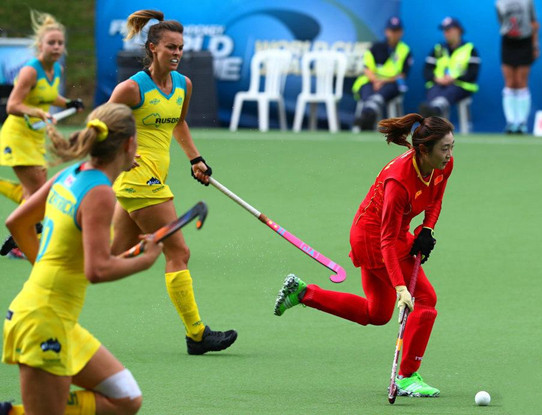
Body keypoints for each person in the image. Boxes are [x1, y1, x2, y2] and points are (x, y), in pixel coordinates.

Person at [274, 113, 455, 398]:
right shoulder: (399, 181)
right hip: (373, 238)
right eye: (444, 148)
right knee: (425, 299)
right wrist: (400, 288)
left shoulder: (443, 165)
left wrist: (427, 229)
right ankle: (407, 377)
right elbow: (386, 241)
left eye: (452, 147)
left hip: (393, 233)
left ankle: (304, 293)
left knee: (377, 313)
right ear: (423, 149)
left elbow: (436, 197)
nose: (449, 154)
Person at [0, 102, 163, 415]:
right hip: (43, 320)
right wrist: (147, 260)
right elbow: (97, 270)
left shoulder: (70, 174)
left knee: (126, 399)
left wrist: (45, 266)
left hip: (53, 316)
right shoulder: (101, 193)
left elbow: (16, 222)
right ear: (129, 144)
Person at [108, 9, 237, 355]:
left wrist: (195, 159)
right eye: (170, 47)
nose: (177, 53)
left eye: (180, 47)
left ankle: (43, 242)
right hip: (139, 180)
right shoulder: (132, 88)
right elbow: (100, 123)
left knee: (113, 253)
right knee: (179, 251)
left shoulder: (183, 85)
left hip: (154, 178)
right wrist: (121, 149)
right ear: (153, 48)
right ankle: (197, 334)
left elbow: (178, 123)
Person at [0, 10, 84, 259]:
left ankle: (24, 236)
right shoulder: (30, 71)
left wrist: (67, 102)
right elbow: (12, 105)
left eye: (60, 43)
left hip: (36, 137)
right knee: (40, 192)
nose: (56, 47)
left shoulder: (56, 69)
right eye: (51, 43)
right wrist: (36, 111)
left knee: (34, 193)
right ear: (40, 46)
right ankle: (22, 237)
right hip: (18, 137)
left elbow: (48, 94)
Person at [352, 16, 413, 131]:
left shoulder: (405, 50)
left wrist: (383, 81)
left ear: (401, 32)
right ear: (386, 31)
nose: (394, 34)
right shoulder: (375, 47)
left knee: (391, 87)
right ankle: (369, 113)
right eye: (391, 30)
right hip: (371, 81)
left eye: (397, 31)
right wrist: (376, 81)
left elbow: (403, 75)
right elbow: (367, 68)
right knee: (366, 88)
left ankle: (366, 116)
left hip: (390, 83)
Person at [419, 17, 480, 119]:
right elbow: (426, 71)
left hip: (460, 86)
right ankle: (434, 109)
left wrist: (453, 78)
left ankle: (435, 109)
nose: (446, 33)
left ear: (458, 30)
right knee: (434, 90)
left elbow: (473, 74)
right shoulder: (438, 48)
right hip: (438, 84)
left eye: (448, 30)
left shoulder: (470, 49)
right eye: (444, 30)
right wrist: (437, 79)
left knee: (452, 90)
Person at [496, 0, 539, 134]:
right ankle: (511, 122)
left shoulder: (528, 1)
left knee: (521, 82)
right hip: (508, 42)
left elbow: (534, 23)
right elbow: (502, 22)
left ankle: (521, 122)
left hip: (525, 41)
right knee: (510, 82)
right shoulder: (499, 3)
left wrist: (535, 45)